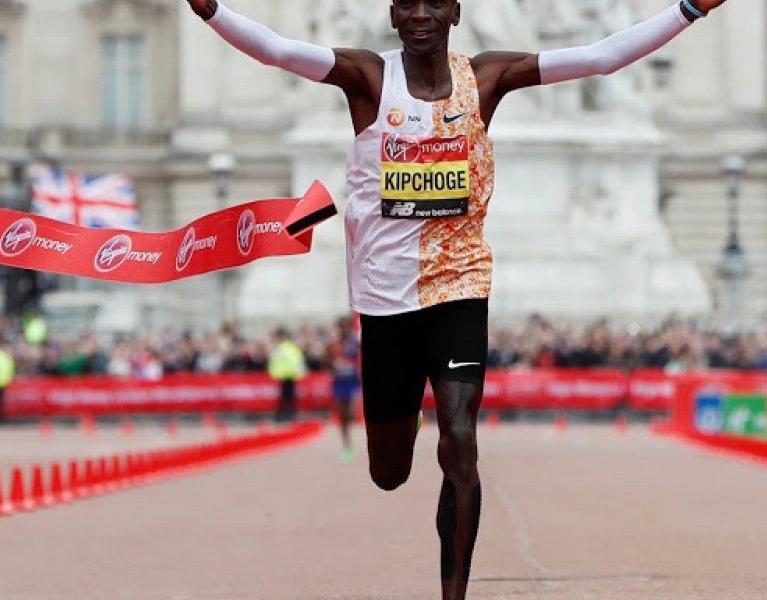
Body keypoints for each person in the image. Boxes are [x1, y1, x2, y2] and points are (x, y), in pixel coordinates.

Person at [184, 0, 730, 597]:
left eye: (434, 3)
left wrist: (687, 10)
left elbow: (599, 58)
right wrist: (214, 13)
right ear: (393, 16)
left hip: (460, 283)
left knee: (462, 443)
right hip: (386, 297)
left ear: (457, 13)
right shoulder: (369, 77)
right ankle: (403, 430)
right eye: (409, 5)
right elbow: (283, 52)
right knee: (389, 472)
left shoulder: (488, 78)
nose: (421, 14)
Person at [328, 316, 361, 464]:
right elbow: (326, 361)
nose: (342, 329)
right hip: (339, 382)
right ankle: (347, 446)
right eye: (340, 326)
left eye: (344, 326)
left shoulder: (354, 342)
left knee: (351, 414)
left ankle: (351, 441)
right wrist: (333, 362)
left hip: (352, 382)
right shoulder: (333, 345)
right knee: (342, 417)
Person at [267, 327, 307, 422]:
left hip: (286, 376)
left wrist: (274, 373)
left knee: (286, 397)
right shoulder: (291, 348)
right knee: (288, 397)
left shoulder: (281, 348)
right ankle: (288, 414)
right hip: (289, 376)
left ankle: (284, 415)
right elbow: (299, 362)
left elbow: (274, 362)